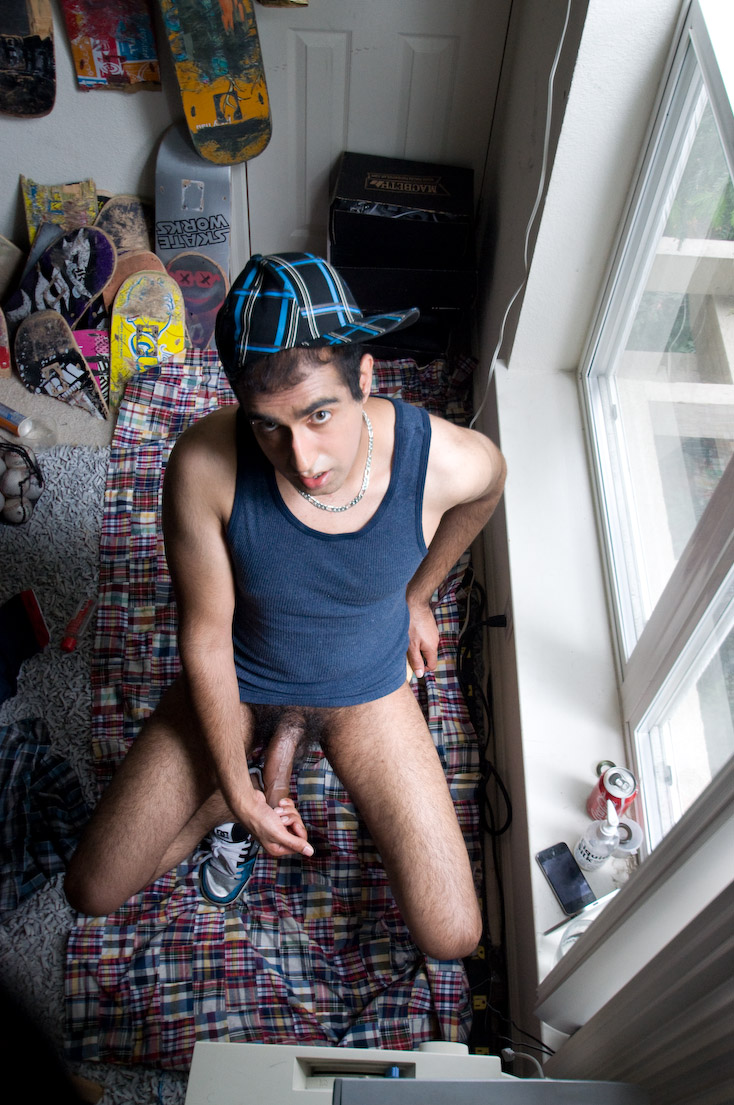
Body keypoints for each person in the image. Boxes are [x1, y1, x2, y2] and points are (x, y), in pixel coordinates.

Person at [65, 253, 506, 962]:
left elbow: (489, 488)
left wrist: (418, 595)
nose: (302, 457)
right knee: (93, 889)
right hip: (244, 679)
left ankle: (274, 765)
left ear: (365, 378)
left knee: (453, 934)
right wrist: (237, 794)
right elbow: (206, 639)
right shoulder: (202, 464)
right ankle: (245, 783)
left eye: (319, 414)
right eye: (268, 426)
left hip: (365, 687)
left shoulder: (442, 459)